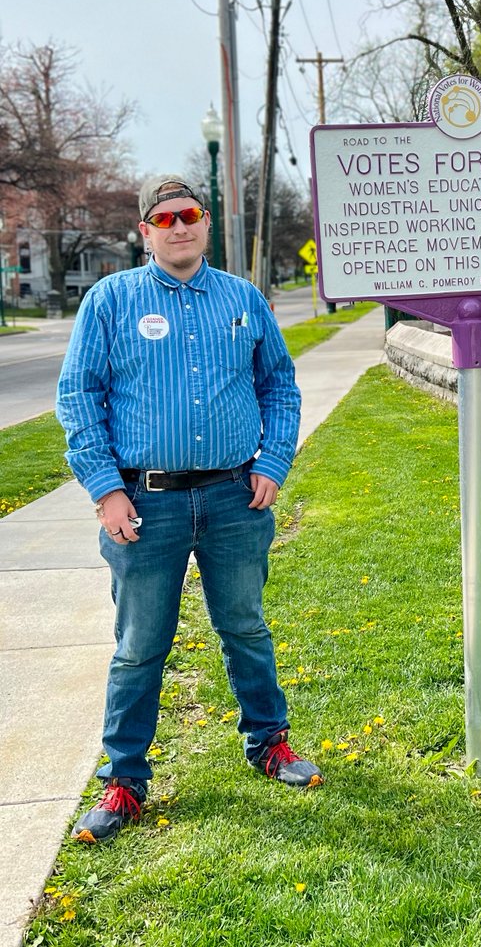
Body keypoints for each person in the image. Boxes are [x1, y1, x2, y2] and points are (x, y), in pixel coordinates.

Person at [56, 174, 322, 845]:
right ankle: (124, 782)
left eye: (190, 214)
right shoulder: (112, 301)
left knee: (246, 628)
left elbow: (279, 387)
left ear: (206, 223)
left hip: (235, 497)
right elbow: (78, 398)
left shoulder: (242, 299)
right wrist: (104, 489)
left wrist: (271, 462)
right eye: (164, 217)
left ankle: (269, 744)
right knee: (140, 647)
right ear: (145, 231)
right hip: (144, 504)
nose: (179, 226)